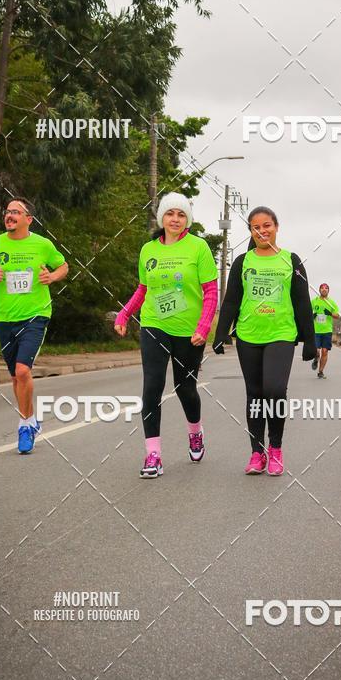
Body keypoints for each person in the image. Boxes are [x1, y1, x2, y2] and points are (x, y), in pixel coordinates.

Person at [114, 193, 218, 478]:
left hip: (188, 331)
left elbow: (210, 291)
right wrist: (124, 314)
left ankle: (195, 431)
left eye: (181, 215)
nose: (175, 219)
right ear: (162, 217)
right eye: (170, 213)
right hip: (154, 325)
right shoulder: (148, 250)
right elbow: (143, 290)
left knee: (185, 389)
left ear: (187, 220)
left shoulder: (199, 248)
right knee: (152, 388)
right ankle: (153, 455)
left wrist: (203, 327)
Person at [212, 206, 316, 476]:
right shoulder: (242, 262)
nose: (262, 230)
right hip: (248, 335)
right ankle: (257, 453)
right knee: (255, 395)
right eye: (256, 227)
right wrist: (221, 332)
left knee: (275, 390)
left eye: (267, 225)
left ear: (276, 227)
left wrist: (310, 341)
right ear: (250, 231)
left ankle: (276, 449)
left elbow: (302, 302)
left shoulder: (291, 261)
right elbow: (232, 299)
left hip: (281, 334)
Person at [0, 198, 68, 454]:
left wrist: (51, 276)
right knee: (14, 376)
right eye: (7, 212)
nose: (9, 215)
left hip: (35, 315)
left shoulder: (42, 244)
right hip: (4, 318)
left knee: (22, 371)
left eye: (15, 212)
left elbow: (63, 266)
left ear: (28, 219)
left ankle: (24, 424)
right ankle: (30, 419)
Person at [311, 283, 340, 379]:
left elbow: (337, 316)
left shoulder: (331, 303)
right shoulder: (314, 301)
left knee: (325, 351)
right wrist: (312, 316)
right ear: (319, 290)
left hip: (327, 330)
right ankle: (316, 358)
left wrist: (330, 313)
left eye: (326, 288)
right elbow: (308, 313)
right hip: (316, 330)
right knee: (316, 351)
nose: (324, 289)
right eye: (322, 288)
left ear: (328, 291)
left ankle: (320, 371)